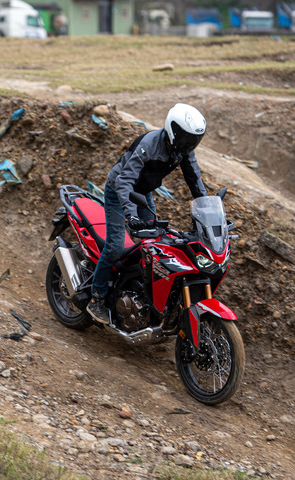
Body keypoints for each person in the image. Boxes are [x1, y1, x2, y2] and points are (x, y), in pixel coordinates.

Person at [87, 103, 208, 324]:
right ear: (173, 131)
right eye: (186, 138)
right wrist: (131, 215)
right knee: (115, 246)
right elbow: (124, 181)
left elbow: (195, 181)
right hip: (118, 190)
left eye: (193, 140)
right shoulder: (150, 145)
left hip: (143, 192)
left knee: (155, 244)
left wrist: (209, 207)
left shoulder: (183, 150)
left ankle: (138, 291)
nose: (190, 145)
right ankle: (97, 296)